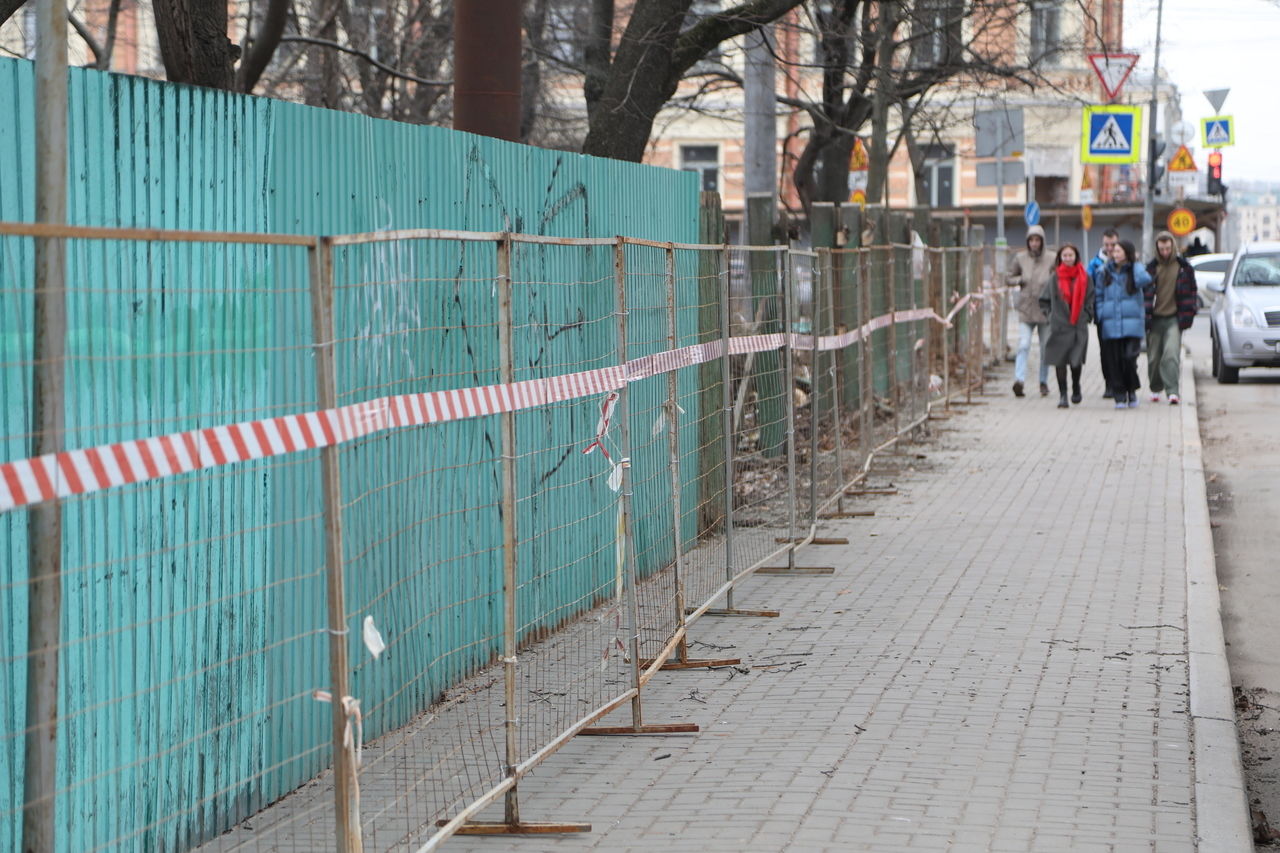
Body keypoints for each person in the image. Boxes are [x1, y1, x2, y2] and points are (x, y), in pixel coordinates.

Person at [1093, 240, 1153, 409]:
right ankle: (1120, 396)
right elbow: (1098, 295)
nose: (1115, 253)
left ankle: (1131, 391)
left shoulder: (1135, 270)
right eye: (1114, 251)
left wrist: (1135, 264)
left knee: (1129, 359)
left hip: (1132, 324)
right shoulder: (1104, 272)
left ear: (1127, 252)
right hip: (1111, 323)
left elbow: (1145, 279)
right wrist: (1101, 314)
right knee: (1115, 361)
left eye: (1119, 251)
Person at [1144, 231, 1199, 404]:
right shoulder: (1151, 269)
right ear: (1157, 249)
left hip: (1174, 318)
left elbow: (1192, 291)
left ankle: (1173, 391)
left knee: (1171, 354)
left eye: (1168, 248)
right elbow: (1143, 294)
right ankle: (1155, 388)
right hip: (1154, 318)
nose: (1165, 252)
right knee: (1154, 357)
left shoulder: (1184, 267)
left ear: (1173, 247)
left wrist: (1190, 312)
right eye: (1161, 249)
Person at [1040, 243, 1093, 408]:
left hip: (1078, 325)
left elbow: (1091, 298)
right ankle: (1063, 395)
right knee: (1060, 361)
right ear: (1060, 258)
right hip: (1059, 326)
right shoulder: (1054, 278)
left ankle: (1076, 387)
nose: (1068, 258)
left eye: (1071, 255)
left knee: (1076, 361)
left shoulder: (1085, 277)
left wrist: (1087, 315)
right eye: (1065, 256)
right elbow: (1044, 301)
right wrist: (1051, 316)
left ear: (1076, 256)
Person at [1006, 224, 1054, 397]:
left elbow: (1057, 279)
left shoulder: (1051, 258)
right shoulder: (1020, 258)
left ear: (1042, 241)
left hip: (1044, 309)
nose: (1034, 243)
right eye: (1031, 240)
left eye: (1037, 240)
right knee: (1024, 344)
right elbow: (1008, 278)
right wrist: (1020, 279)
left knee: (1045, 348)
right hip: (1026, 309)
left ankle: (1043, 381)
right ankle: (1019, 380)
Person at [1087, 228, 1121, 398]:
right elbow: (1089, 288)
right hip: (1102, 314)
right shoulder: (1094, 264)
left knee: (1120, 351)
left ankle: (1120, 383)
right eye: (1107, 244)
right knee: (1106, 351)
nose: (1109, 248)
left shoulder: (1124, 261)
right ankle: (1109, 384)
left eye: (1113, 244)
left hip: (1121, 314)